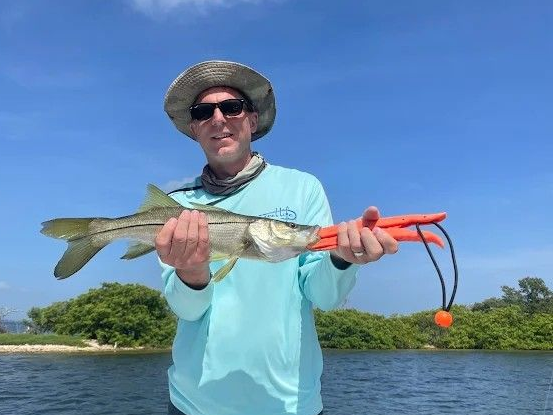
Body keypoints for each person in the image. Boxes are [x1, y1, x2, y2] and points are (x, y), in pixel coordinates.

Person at [156, 60, 398, 415]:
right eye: (204, 111)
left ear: (252, 119)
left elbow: (324, 295)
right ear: (194, 127)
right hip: (194, 404)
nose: (219, 118)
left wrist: (343, 258)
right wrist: (191, 275)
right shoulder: (177, 207)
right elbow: (186, 309)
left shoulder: (303, 187)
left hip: (290, 405)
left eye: (232, 107)